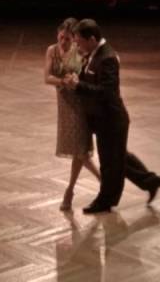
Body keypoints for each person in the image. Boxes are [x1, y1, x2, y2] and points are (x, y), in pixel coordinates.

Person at [64, 19, 160, 214]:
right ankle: (151, 181)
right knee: (118, 158)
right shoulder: (93, 54)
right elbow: (91, 79)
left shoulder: (107, 58)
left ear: (91, 39)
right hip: (103, 119)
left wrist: (78, 86)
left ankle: (105, 201)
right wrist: (78, 79)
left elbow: (107, 91)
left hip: (111, 119)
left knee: (110, 165)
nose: (77, 45)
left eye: (79, 41)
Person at [45, 17, 101, 211]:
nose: (63, 42)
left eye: (67, 38)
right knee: (81, 152)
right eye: (61, 37)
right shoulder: (52, 51)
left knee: (80, 150)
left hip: (79, 102)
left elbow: (88, 72)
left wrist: (76, 80)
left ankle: (69, 191)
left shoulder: (79, 50)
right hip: (64, 105)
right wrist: (63, 82)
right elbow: (47, 77)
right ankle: (103, 182)